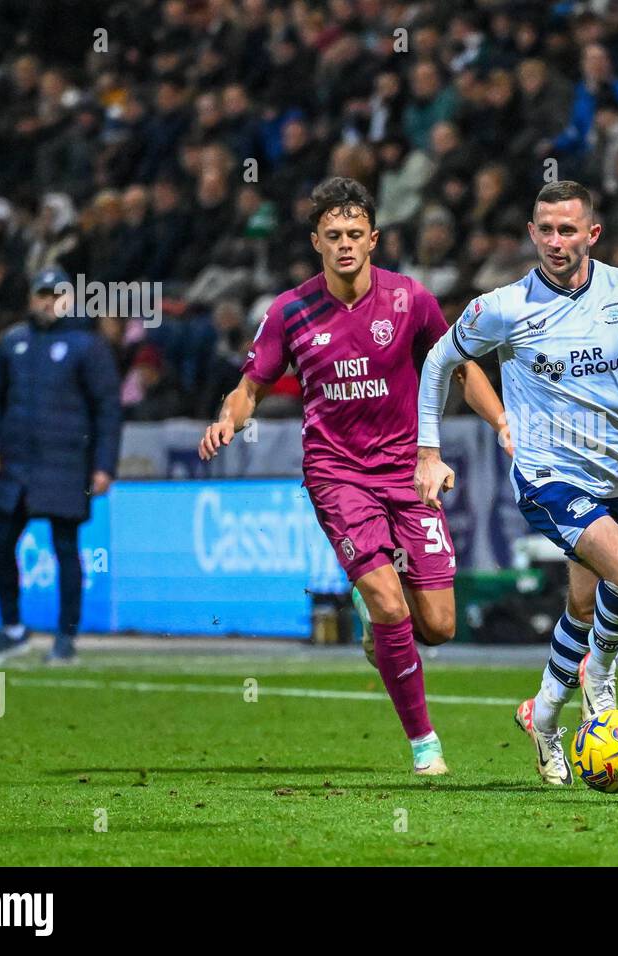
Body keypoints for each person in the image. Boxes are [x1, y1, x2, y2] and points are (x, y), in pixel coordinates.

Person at [199, 177, 507, 777]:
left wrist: (501, 422)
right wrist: (227, 420)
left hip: (408, 473)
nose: (344, 244)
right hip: (337, 474)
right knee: (389, 603)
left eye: (354, 233)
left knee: (439, 626)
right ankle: (424, 743)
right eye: (333, 234)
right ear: (316, 241)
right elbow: (251, 387)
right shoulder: (289, 311)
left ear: (374, 239)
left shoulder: (411, 300)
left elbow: (458, 367)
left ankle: (378, 623)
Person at [415, 180, 618, 785]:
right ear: (531, 233)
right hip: (548, 478)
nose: (554, 240)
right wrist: (428, 452)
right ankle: (601, 676)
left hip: (617, 478)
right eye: (544, 229)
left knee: (582, 604)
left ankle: (543, 719)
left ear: (592, 233)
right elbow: (439, 359)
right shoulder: (505, 307)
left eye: (567, 229)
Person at [0, 268, 122, 665]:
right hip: (17, 464)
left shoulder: (87, 346)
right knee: (0, 542)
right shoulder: (14, 342)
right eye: (42, 294)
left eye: (57, 295)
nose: (49, 302)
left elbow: (107, 409)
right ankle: (12, 630)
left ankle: (66, 637)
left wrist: (104, 464)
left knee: (65, 548)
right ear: (31, 298)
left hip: (66, 463)